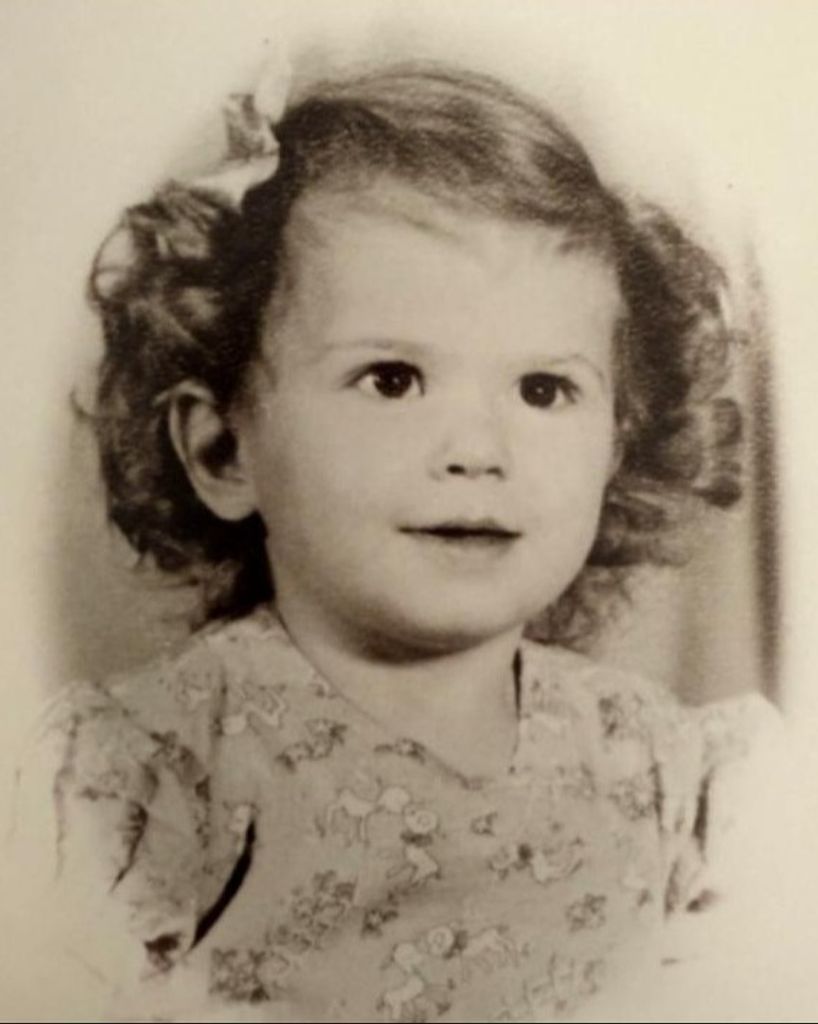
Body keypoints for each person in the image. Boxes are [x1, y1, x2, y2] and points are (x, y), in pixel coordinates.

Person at [7, 55, 796, 1022]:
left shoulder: (673, 779)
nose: (478, 451)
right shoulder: (147, 778)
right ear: (224, 449)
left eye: (543, 389)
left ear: (617, 445)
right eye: (392, 379)